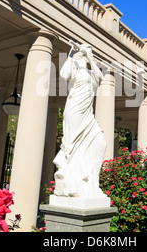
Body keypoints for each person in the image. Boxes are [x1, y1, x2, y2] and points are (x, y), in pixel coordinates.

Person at [53, 40, 107, 198]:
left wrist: (90, 58)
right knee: (74, 146)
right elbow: (64, 74)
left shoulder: (92, 73)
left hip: (88, 114)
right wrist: (71, 54)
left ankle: (92, 183)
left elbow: (100, 77)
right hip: (75, 110)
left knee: (100, 143)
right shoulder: (74, 67)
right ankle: (73, 183)